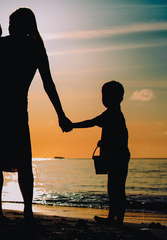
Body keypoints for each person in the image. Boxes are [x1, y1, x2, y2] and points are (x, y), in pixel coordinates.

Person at [0, 8, 72, 221]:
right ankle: (18, 210)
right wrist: (61, 114)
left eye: (12, 23)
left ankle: (7, 210)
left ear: (23, 24)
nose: (9, 27)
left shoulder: (7, 44)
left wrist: (61, 114)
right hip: (12, 109)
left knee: (6, 162)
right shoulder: (34, 46)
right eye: (9, 23)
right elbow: (48, 83)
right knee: (17, 162)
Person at [72, 81, 130, 225]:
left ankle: (118, 219)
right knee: (115, 187)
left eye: (107, 96)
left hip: (119, 156)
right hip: (119, 155)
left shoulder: (112, 113)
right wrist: (104, 142)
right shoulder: (114, 113)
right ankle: (114, 218)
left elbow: (92, 122)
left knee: (116, 188)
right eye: (104, 96)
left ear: (118, 98)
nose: (104, 99)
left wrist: (72, 125)